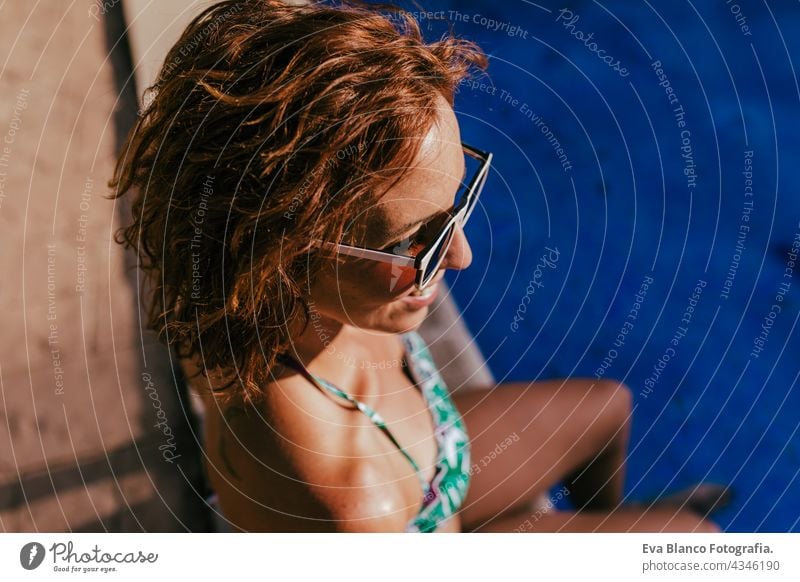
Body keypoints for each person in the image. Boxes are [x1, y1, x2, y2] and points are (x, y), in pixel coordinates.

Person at [109, 0, 727, 532]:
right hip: (419, 522)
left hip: (424, 451)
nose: (460, 255)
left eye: (458, 203)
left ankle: (593, 522)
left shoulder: (214, 265)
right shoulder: (353, 502)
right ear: (286, 255)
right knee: (691, 535)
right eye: (416, 241)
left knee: (607, 408)